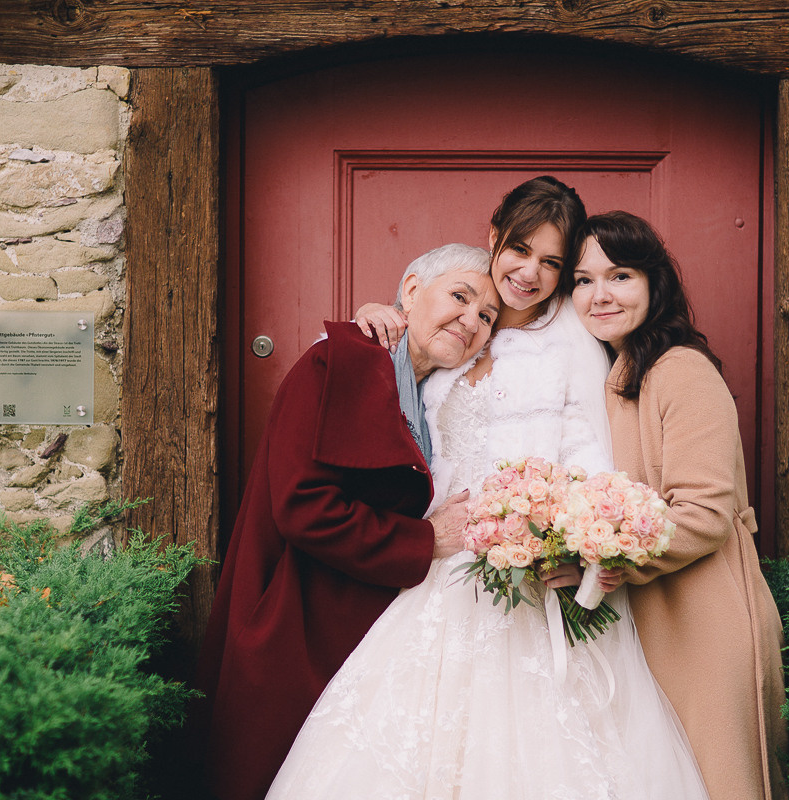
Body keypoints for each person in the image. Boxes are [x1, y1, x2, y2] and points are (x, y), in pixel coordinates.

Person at [265, 177, 709, 799]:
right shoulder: (463, 320)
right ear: (495, 234)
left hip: (532, 574)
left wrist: (575, 547)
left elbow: (593, 460)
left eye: (553, 263)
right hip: (438, 572)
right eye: (520, 249)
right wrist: (380, 309)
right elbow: (398, 394)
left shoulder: (574, 341)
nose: (530, 273)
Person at [196, 243, 500, 800]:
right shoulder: (338, 362)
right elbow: (303, 505)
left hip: (361, 625)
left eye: (487, 317)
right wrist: (425, 540)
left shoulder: (431, 392)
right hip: (298, 617)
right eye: (460, 295)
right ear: (410, 290)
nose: (471, 320)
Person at [570, 210, 789, 800]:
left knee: (721, 780)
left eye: (619, 276)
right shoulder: (616, 369)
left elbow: (704, 513)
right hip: (650, 614)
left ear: (654, 282)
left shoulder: (680, 369)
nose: (600, 295)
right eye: (583, 281)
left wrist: (602, 557)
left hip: (704, 614)